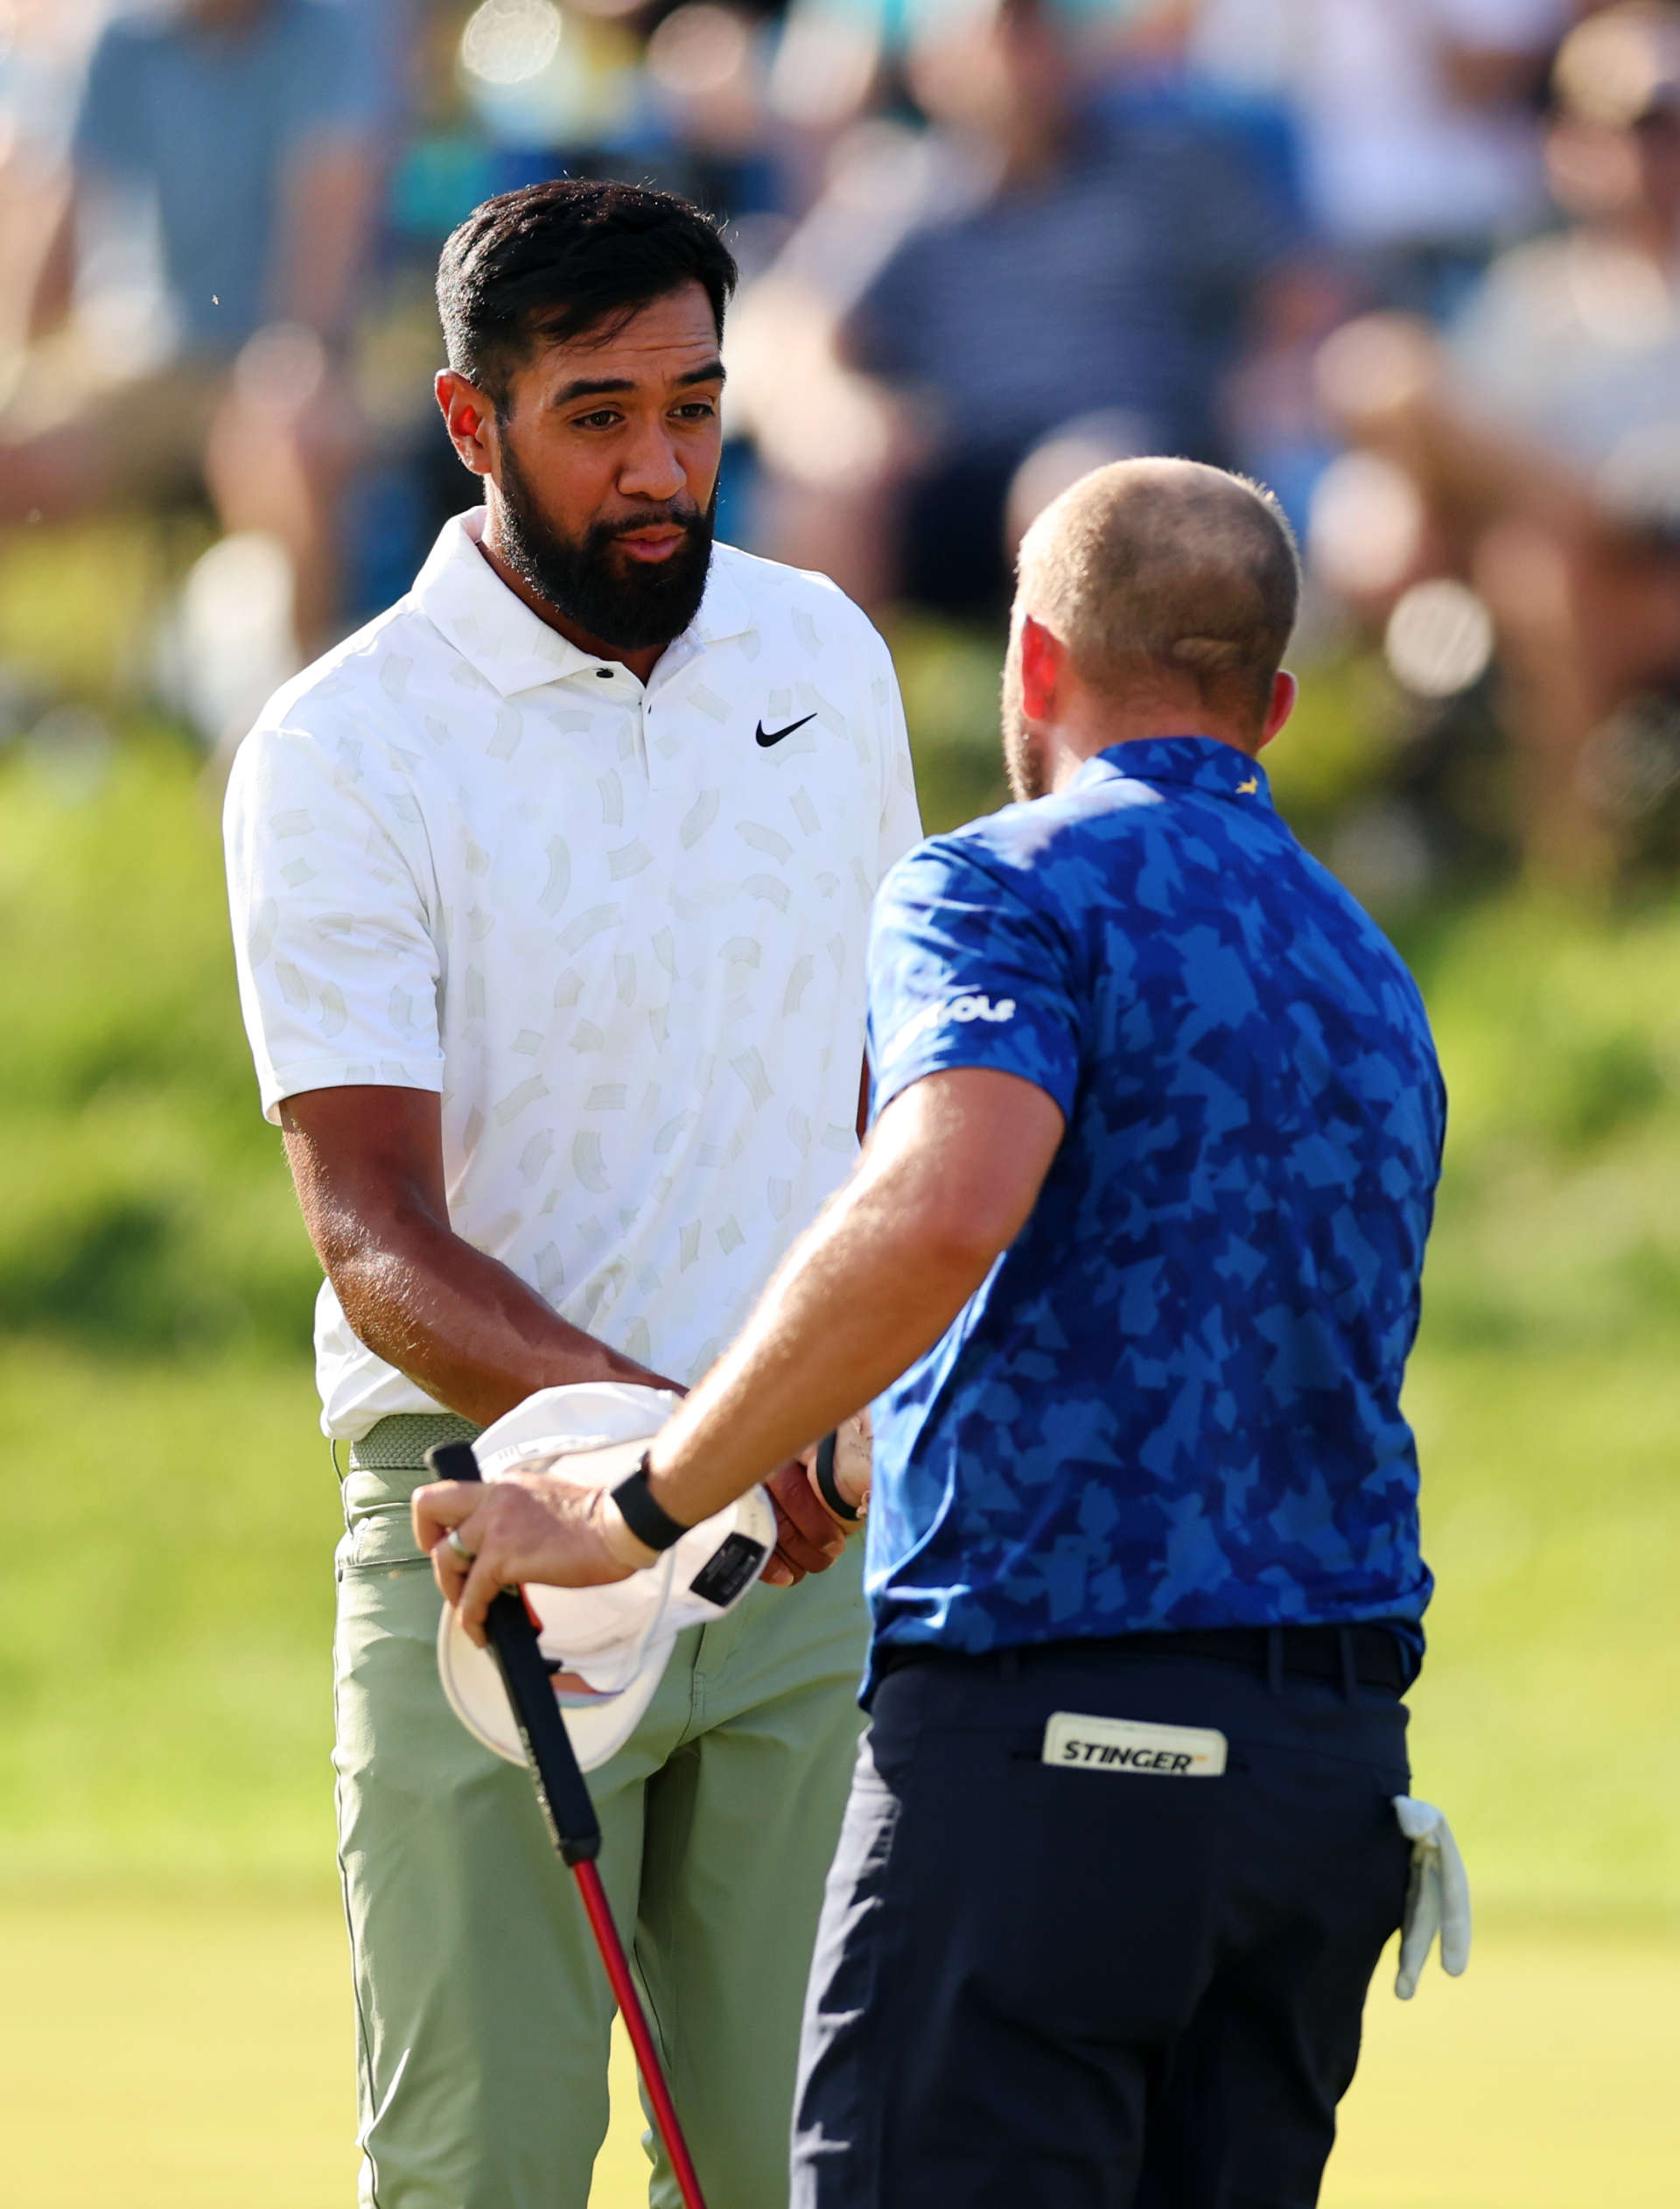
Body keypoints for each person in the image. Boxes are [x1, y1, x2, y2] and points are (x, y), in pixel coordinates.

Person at [416, 457, 1449, 2207]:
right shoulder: (1368, 962)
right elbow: (1161, 1316)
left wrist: (637, 1504)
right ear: (1273, 701)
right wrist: (845, 1436)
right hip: (1323, 1779)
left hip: (1048, 1749)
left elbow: (946, 1202)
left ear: (1032, 666)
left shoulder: (1001, 886)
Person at [223, 178, 920, 2209]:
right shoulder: (339, 745)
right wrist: (679, 1456)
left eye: (696, 407)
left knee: (805, 2166)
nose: (661, 467)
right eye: (597, 415)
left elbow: (891, 1106)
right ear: (470, 424)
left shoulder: (823, 653)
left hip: (800, 1544)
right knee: (482, 2174)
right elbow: (372, 1233)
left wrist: (790, 1438)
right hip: (498, 1545)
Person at [1, 0, 382, 665]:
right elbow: (64, 215)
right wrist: (14, 364)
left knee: (292, 437)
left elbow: (329, 217)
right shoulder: (121, 39)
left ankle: (295, 714)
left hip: (267, 362)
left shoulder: (330, 33)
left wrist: (302, 354)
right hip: (134, 364)